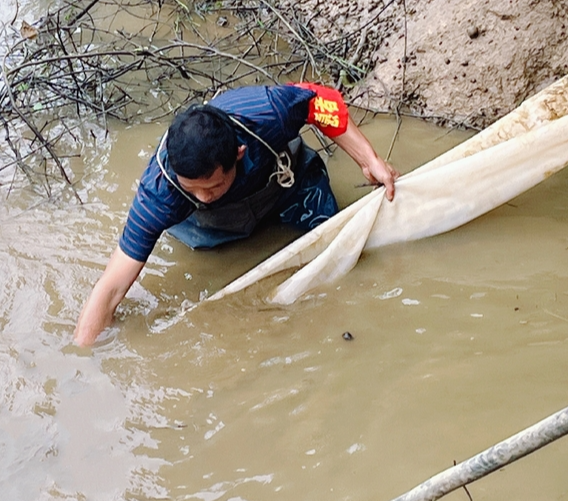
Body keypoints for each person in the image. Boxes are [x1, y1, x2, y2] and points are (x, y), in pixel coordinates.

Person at [73, 83, 398, 346]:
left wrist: (368, 159)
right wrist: (84, 353)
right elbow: (112, 287)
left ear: (238, 154)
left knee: (339, 239)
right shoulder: (160, 192)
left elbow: (321, 102)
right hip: (216, 225)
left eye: (211, 187)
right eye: (192, 189)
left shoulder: (268, 112)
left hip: (285, 187)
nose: (203, 196)